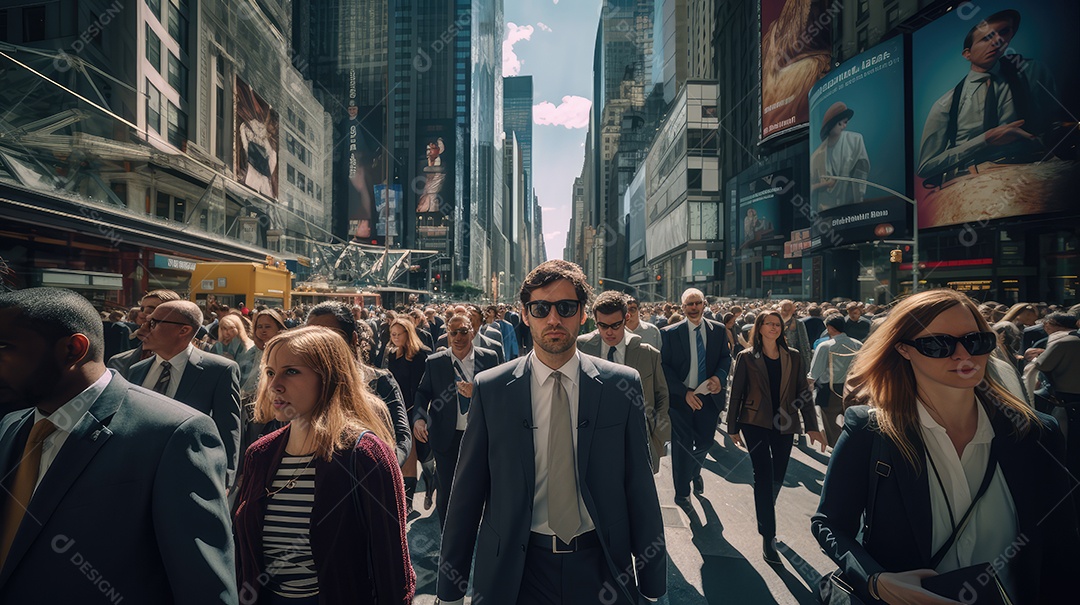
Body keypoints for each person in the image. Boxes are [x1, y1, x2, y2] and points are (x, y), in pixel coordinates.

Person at [812, 289, 1078, 604]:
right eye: (938, 344)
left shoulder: (1037, 433)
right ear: (903, 350)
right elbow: (830, 523)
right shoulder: (870, 430)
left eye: (976, 341)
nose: (963, 355)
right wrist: (875, 580)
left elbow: (1061, 549)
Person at [437, 260, 666, 604]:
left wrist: (652, 583)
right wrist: (450, 590)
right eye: (541, 308)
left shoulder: (621, 385)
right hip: (516, 569)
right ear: (526, 315)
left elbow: (639, 485)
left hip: (600, 563)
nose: (554, 319)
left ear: (583, 314)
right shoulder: (492, 388)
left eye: (566, 307)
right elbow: (467, 491)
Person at [0, 288, 236, 602]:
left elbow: (204, 589)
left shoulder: (175, 435)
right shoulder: (11, 426)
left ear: (73, 349)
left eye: (4, 347)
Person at [233, 327, 414, 604]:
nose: (275, 385)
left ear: (328, 378)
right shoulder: (260, 454)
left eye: (291, 371)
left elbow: (392, 568)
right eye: (270, 372)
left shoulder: (366, 455)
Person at [917, 10, 1061, 186]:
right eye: (986, 38)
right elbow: (926, 166)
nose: (996, 42)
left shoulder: (1032, 72)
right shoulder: (945, 104)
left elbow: (1055, 122)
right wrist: (985, 140)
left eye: (1004, 32)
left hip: (1037, 172)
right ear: (967, 54)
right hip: (974, 183)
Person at [727, 311, 825, 564]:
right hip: (753, 422)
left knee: (778, 475)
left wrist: (812, 426)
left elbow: (803, 391)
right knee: (763, 475)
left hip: (785, 422)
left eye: (777, 324)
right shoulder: (746, 357)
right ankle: (768, 536)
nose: (774, 328)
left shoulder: (792, 356)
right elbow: (736, 392)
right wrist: (732, 425)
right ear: (759, 328)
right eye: (768, 324)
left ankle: (764, 513)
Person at [128, 300, 242, 489]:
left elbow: (228, 429)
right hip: (137, 479)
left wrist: (225, 481)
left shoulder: (219, 371)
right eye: (146, 321)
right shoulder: (135, 370)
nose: (144, 328)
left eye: (154, 323)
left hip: (188, 482)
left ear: (183, 331)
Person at [412, 314, 499, 526]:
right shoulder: (435, 362)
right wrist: (419, 420)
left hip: (479, 435)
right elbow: (422, 394)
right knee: (447, 491)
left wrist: (476, 391)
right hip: (446, 438)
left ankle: (477, 534)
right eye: (453, 332)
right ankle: (448, 537)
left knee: (478, 487)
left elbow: (500, 393)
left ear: (473, 331)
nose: (458, 337)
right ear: (447, 335)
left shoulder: (489, 358)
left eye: (463, 331)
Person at [304, 302, 412, 468]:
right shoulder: (299, 384)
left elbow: (401, 436)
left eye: (331, 336)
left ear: (353, 339)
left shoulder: (379, 381)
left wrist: (382, 469)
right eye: (312, 337)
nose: (321, 344)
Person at [577, 291, 670, 473]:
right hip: (592, 442)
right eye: (602, 326)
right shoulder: (581, 348)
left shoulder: (648, 354)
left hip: (636, 440)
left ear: (627, 318)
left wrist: (658, 438)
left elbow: (662, 396)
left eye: (615, 325)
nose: (609, 331)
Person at [661, 288, 732, 507]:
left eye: (697, 303)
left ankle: (694, 472)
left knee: (705, 442)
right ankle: (682, 492)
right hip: (681, 399)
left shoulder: (718, 331)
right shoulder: (668, 333)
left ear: (704, 304)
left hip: (708, 398)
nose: (693, 308)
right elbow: (664, 367)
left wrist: (719, 377)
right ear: (682, 308)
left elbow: (725, 357)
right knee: (681, 447)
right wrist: (684, 393)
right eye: (689, 304)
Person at [383, 317, 430, 514]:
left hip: (416, 410)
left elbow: (425, 387)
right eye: (392, 334)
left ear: (408, 334)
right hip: (397, 411)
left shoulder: (422, 356)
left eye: (397, 334)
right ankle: (407, 502)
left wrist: (420, 413)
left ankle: (430, 482)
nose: (393, 338)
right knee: (407, 457)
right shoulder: (390, 355)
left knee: (425, 459)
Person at [807, 315, 863, 448]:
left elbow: (815, 373)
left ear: (830, 328)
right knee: (852, 420)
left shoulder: (825, 346)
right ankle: (852, 445)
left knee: (830, 423)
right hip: (852, 388)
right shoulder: (858, 345)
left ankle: (838, 447)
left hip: (829, 389)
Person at [107, 289, 181, 377]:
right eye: (142, 309)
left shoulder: (192, 366)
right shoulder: (118, 362)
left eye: (152, 311)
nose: (142, 315)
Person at [811, 102, 870, 211]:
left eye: (846, 122)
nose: (844, 126)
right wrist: (824, 184)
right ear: (831, 125)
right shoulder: (816, 156)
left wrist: (859, 196)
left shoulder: (856, 140)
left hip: (851, 207)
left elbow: (862, 170)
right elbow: (810, 188)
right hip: (826, 211)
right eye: (840, 124)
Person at [211, 313, 258, 388]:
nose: (226, 332)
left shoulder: (249, 346)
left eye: (231, 328)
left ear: (238, 328)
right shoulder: (218, 347)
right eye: (223, 328)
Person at [779, 299, 812, 370]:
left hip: (794, 360)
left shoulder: (798, 324)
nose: (786, 313)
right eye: (784, 310)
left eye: (789, 310)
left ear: (793, 311)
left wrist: (807, 366)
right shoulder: (775, 323)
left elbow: (804, 343)